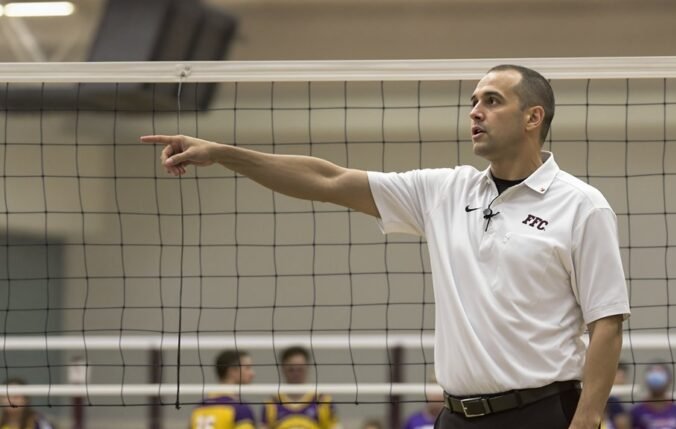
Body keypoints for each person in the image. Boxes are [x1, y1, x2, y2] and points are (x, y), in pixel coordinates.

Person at [142, 63, 630, 429]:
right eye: (473, 100)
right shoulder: (445, 191)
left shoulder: (582, 206)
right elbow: (328, 179)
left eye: (492, 100)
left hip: (543, 414)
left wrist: (587, 420)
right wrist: (224, 154)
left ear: (533, 116)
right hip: (456, 416)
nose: (474, 111)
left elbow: (606, 322)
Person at [260, 346, 339, 429]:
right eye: (291, 369)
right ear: (283, 369)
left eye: (300, 369)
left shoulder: (322, 401)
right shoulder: (272, 404)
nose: (296, 373)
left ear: (307, 368)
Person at [189, 350, 257, 429]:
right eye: (247, 368)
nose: (253, 374)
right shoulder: (240, 409)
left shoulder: (198, 408)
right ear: (232, 371)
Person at [629, 363, 676, 429]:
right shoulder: (635, 412)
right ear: (646, 380)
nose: (656, 379)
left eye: (660, 375)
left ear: (669, 380)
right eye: (653, 376)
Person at [604, 362, 630, 429]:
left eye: (623, 377)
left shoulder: (615, 401)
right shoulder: (613, 401)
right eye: (619, 376)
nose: (621, 380)